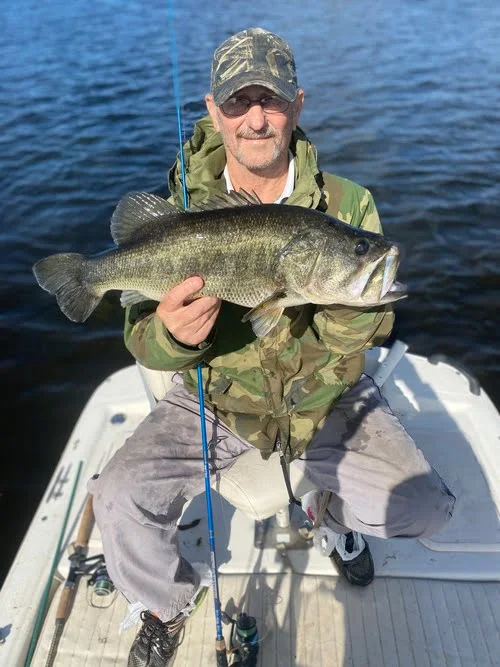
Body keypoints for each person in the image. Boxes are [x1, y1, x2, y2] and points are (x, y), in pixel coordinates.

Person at [89, 27, 456, 667]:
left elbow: (373, 321)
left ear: (298, 103)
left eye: (273, 100)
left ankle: (333, 519)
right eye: (238, 102)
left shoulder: (347, 204)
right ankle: (166, 606)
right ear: (213, 110)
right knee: (117, 497)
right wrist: (173, 337)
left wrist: (346, 300)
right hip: (217, 398)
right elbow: (141, 339)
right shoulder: (181, 207)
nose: (256, 119)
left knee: (427, 510)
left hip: (329, 394)